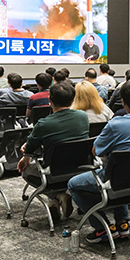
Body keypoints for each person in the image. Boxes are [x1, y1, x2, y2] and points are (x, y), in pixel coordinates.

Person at [67, 79, 130, 243]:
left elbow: (96, 150)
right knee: (121, 170)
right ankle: (122, 223)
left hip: (117, 180)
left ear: (123, 101)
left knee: (73, 184)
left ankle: (101, 227)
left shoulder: (116, 124)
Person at [17, 81, 90, 218]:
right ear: (73, 100)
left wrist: (25, 157)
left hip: (53, 171)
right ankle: (57, 199)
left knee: (26, 171)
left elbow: (30, 148)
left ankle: (56, 196)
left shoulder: (44, 124)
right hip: (79, 169)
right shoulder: (83, 117)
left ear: (49, 99)